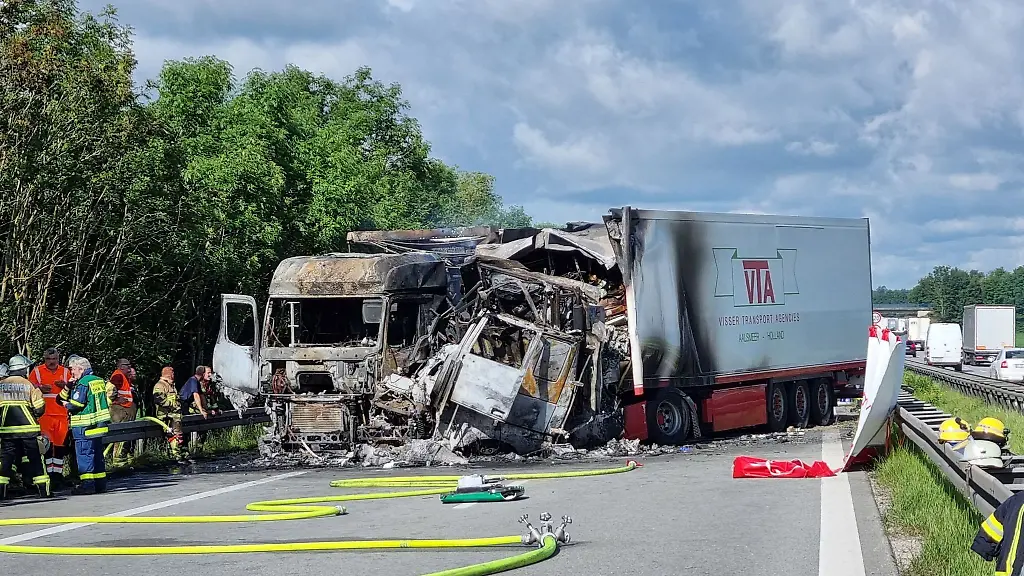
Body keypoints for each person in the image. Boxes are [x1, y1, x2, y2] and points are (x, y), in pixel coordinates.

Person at [0, 355, 50, 499]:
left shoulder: (1, 386)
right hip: (29, 431)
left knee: (6, 462)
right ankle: (44, 492)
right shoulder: (29, 385)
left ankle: (2, 494)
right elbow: (40, 408)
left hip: (7, 432)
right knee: (36, 460)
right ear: (23, 369)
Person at [61, 356, 111, 494]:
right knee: (97, 454)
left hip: (84, 426)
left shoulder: (83, 382)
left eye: (74, 370)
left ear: (81, 369)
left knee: (85, 455)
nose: (72, 373)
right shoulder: (99, 381)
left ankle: (87, 485)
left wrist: (67, 404)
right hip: (99, 425)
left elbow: (77, 404)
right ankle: (100, 484)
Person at [28, 348, 72, 487]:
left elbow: (74, 388)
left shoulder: (65, 371)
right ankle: (48, 475)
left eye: (54, 359)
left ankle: (57, 476)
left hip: (61, 415)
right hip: (44, 415)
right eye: (49, 359)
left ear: (58, 359)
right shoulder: (37, 371)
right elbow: (30, 387)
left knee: (59, 446)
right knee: (46, 446)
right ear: (44, 359)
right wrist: (40, 388)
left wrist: (65, 386)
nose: (52, 362)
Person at [106, 358, 136, 461]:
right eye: (127, 365)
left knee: (125, 435)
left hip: (124, 410)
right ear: (121, 366)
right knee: (120, 435)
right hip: (119, 411)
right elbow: (110, 389)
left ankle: (122, 458)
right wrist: (117, 399)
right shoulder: (118, 375)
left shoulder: (124, 377)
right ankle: (118, 459)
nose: (129, 367)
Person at [152, 366, 183, 462]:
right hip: (166, 417)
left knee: (177, 436)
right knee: (173, 436)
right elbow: (158, 399)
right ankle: (175, 456)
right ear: (168, 374)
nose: (174, 375)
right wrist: (172, 405)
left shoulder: (171, 385)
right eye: (172, 373)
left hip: (174, 416)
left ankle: (177, 455)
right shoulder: (160, 385)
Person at [179, 366, 210, 457]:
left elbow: (201, 396)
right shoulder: (193, 380)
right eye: (208, 373)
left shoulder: (197, 382)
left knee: (188, 426)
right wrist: (201, 410)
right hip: (182, 404)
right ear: (203, 374)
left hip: (186, 404)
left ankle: (192, 450)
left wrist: (207, 409)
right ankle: (183, 451)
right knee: (185, 427)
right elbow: (196, 395)